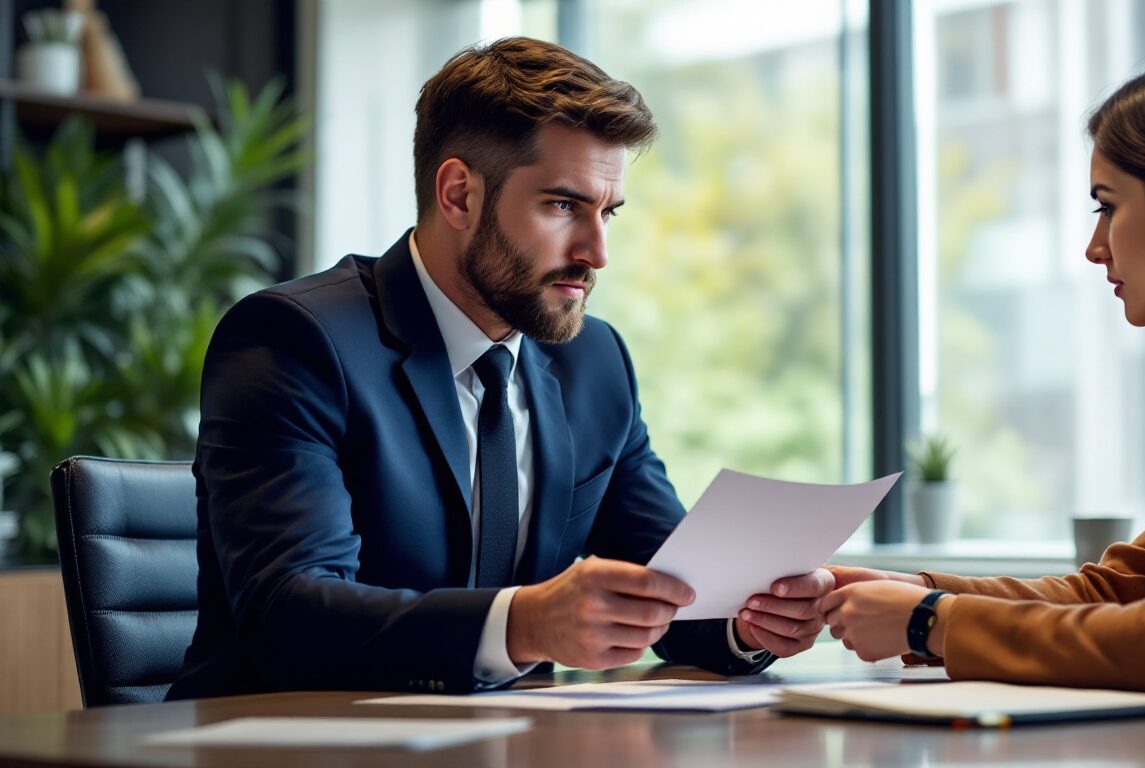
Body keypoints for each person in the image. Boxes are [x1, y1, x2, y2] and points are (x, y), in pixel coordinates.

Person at [169, 37, 831, 700]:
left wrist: (754, 620)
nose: (597, 252)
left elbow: (674, 590)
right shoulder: (296, 341)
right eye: (564, 206)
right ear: (459, 195)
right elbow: (289, 616)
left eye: (609, 213)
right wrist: (524, 625)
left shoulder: (594, 364)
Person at [822, 41, 1145, 696]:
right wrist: (914, 590)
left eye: (1107, 205)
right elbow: (1117, 587)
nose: (1095, 247)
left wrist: (929, 622)